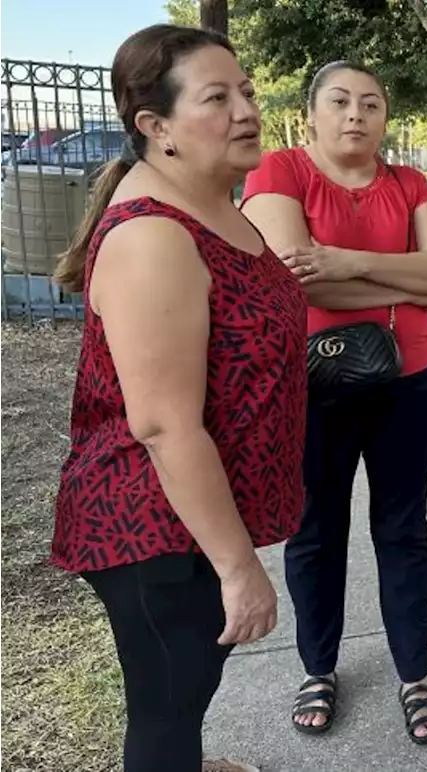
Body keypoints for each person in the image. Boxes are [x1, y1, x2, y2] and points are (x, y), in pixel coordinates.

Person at [49, 24, 306, 772]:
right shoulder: (153, 237)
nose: (247, 110)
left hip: (187, 519)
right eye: (217, 98)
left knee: (186, 692)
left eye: (248, 93)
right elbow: (163, 426)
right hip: (152, 529)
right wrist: (238, 568)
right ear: (155, 127)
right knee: (167, 705)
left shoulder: (208, 205)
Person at [240, 60, 427, 745]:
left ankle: (414, 673)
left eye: (370, 103)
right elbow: (289, 276)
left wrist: (345, 263)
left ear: (386, 117)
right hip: (313, 384)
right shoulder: (280, 171)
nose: (356, 114)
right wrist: (405, 287)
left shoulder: (411, 182)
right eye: (340, 101)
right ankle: (318, 667)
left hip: (409, 381)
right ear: (312, 111)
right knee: (315, 529)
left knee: (404, 529)